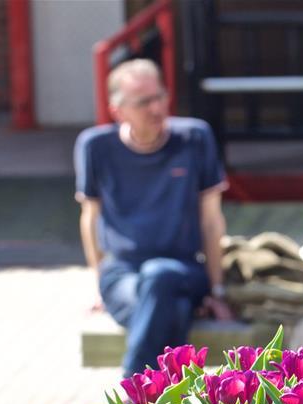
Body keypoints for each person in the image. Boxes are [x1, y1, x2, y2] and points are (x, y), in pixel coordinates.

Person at [75, 58, 233, 377]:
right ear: (118, 110)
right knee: (171, 308)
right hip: (122, 275)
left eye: (160, 96)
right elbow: (90, 218)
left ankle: (133, 401)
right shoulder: (95, 146)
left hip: (183, 268)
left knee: (160, 276)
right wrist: (97, 283)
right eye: (144, 101)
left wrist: (216, 291)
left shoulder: (195, 138)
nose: (157, 107)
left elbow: (212, 221)